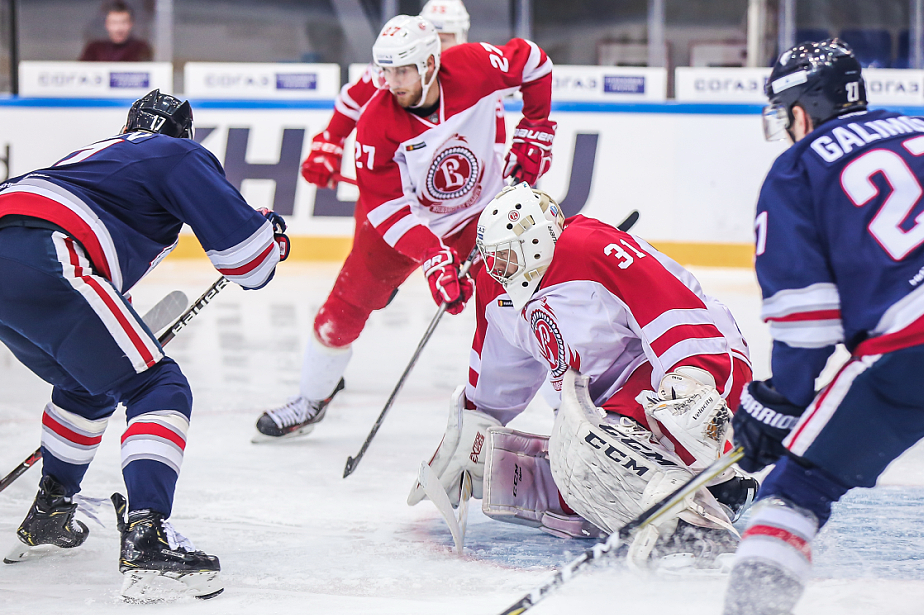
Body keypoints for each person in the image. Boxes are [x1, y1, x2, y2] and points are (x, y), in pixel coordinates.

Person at [0, 90, 288, 600]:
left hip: (22, 242)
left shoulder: (98, 158)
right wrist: (270, 234)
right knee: (159, 386)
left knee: (88, 382)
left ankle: (50, 511)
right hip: (46, 249)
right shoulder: (177, 152)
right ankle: (148, 535)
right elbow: (248, 264)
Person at [408, 184, 758, 566]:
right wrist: (475, 426)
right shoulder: (496, 287)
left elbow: (672, 308)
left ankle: (693, 521)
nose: (497, 268)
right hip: (607, 404)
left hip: (698, 359)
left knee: (600, 448)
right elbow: (499, 376)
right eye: (492, 257)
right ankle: (708, 488)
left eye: (506, 255)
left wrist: (692, 379)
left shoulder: (590, 248)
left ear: (537, 241)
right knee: (572, 464)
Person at [254, 15, 556, 440]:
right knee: (342, 311)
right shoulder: (376, 122)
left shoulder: (473, 65)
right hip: (408, 224)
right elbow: (386, 209)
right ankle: (311, 398)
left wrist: (537, 128)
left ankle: (562, 405)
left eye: (402, 71)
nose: (392, 82)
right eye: (386, 71)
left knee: (523, 302)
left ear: (430, 63)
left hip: (480, 215)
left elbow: (535, 63)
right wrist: (433, 256)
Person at [721, 39, 924, 614]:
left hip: (909, 346)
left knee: (795, 491)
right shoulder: (917, 129)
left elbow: (806, 317)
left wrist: (780, 401)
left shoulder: (797, 168)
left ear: (801, 112)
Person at [300, 0, 479, 192]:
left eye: (443, 40)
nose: (436, 47)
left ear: (462, 37)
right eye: (431, 38)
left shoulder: (476, 72)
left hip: (456, 185)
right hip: (395, 186)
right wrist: (328, 145)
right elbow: (352, 102)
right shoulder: (394, 70)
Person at [80, 1, 153, 62]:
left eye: (123, 22)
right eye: (114, 23)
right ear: (107, 24)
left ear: (131, 24)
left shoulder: (140, 48)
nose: (119, 29)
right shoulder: (94, 48)